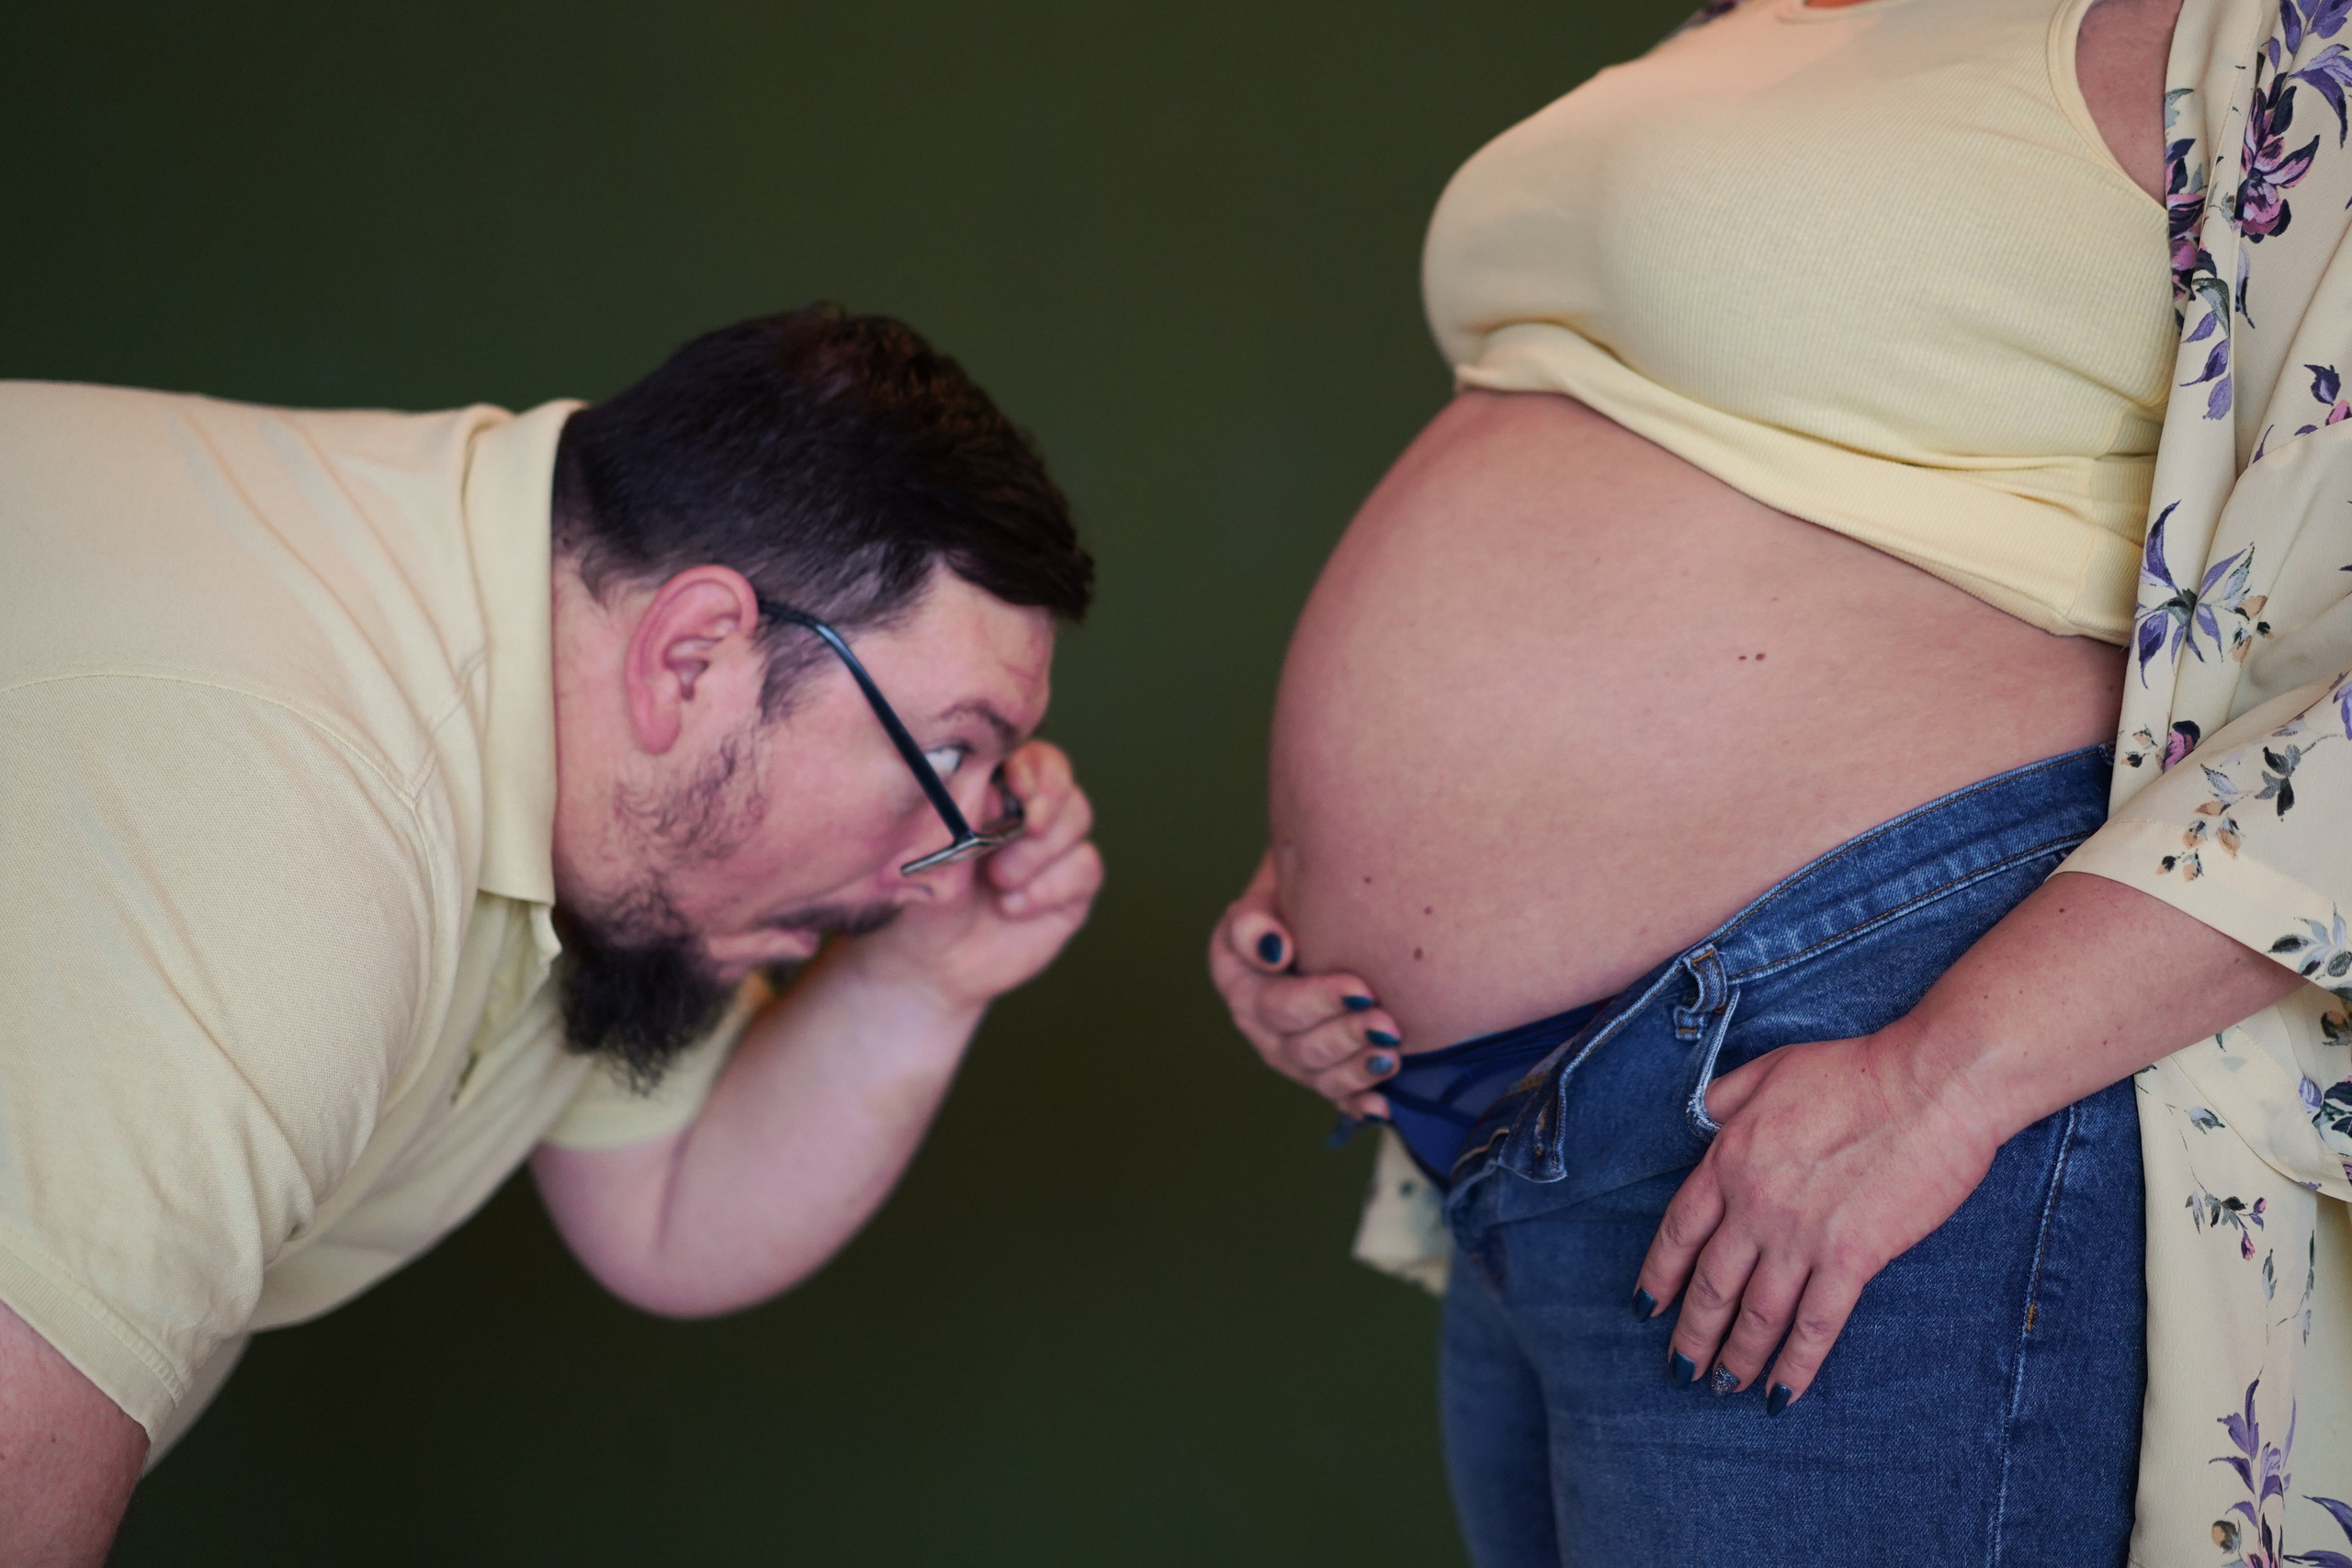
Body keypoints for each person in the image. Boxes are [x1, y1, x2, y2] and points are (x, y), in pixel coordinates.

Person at [1211, 0, 2352, 1560]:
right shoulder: (1772, 20)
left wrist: (1952, 1074)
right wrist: (1334, 882)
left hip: (1860, 1059)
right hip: (1525, 1134)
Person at [0, 307, 1102, 1560]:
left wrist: (923, 982)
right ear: (693, 659)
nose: (941, 869)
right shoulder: (291, 830)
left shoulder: (600, 771)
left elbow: (666, 1214)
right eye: (946, 757)